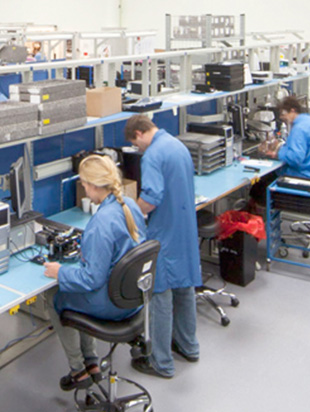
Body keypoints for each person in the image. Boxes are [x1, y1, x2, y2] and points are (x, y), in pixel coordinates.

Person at [43, 155, 146, 391]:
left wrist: (60, 272)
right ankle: (91, 361)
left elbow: (91, 279)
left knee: (55, 295)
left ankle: (78, 370)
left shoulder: (100, 223)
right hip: (133, 299)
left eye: (84, 183)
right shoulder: (129, 205)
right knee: (74, 287)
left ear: (91, 185)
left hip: (111, 304)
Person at [124, 115, 202, 378]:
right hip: (184, 227)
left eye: (136, 144)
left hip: (164, 231)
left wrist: (129, 211)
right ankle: (188, 346)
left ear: (138, 133)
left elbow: (152, 198)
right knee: (184, 287)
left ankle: (161, 362)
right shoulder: (176, 145)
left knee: (160, 294)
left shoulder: (152, 155)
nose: (138, 150)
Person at [265, 96, 310, 184]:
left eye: (283, 114)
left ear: (292, 111)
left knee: (263, 183)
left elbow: (295, 158)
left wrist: (277, 153)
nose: (282, 117)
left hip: (307, 175)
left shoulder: (299, 129)